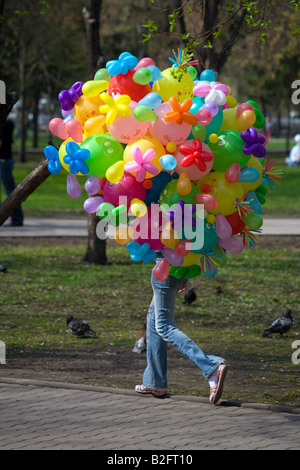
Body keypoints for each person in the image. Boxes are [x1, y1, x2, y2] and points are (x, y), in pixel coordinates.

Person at [135, 253, 227, 404]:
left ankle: (211, 367)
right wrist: (183, 274)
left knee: (164, 326)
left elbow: (156, 239)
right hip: (179, 265)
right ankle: (154, 381)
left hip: (165, 267)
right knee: (153, 320)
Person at [0, 119, 24, 226]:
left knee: (10, 191)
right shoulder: (9, 123)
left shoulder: (4, 124)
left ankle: (17, 218)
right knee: (10, 190)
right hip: (6, 161)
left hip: (3, 161)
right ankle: (16, 217)